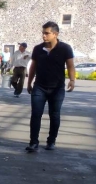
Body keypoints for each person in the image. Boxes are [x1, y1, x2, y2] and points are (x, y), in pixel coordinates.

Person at [25, 22, 75, 152]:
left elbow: (70, 65)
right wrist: (29, 82)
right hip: (39, 87)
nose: (44, 35)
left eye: (47, 33)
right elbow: (33, 67)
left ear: (55, 34)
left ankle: (51, 141)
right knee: (36, 114)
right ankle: (33, 142)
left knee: (54, 114)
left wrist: (72, 80)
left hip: (57, 88)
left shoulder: (65, 48)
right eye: (43, 33)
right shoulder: (37, 49)